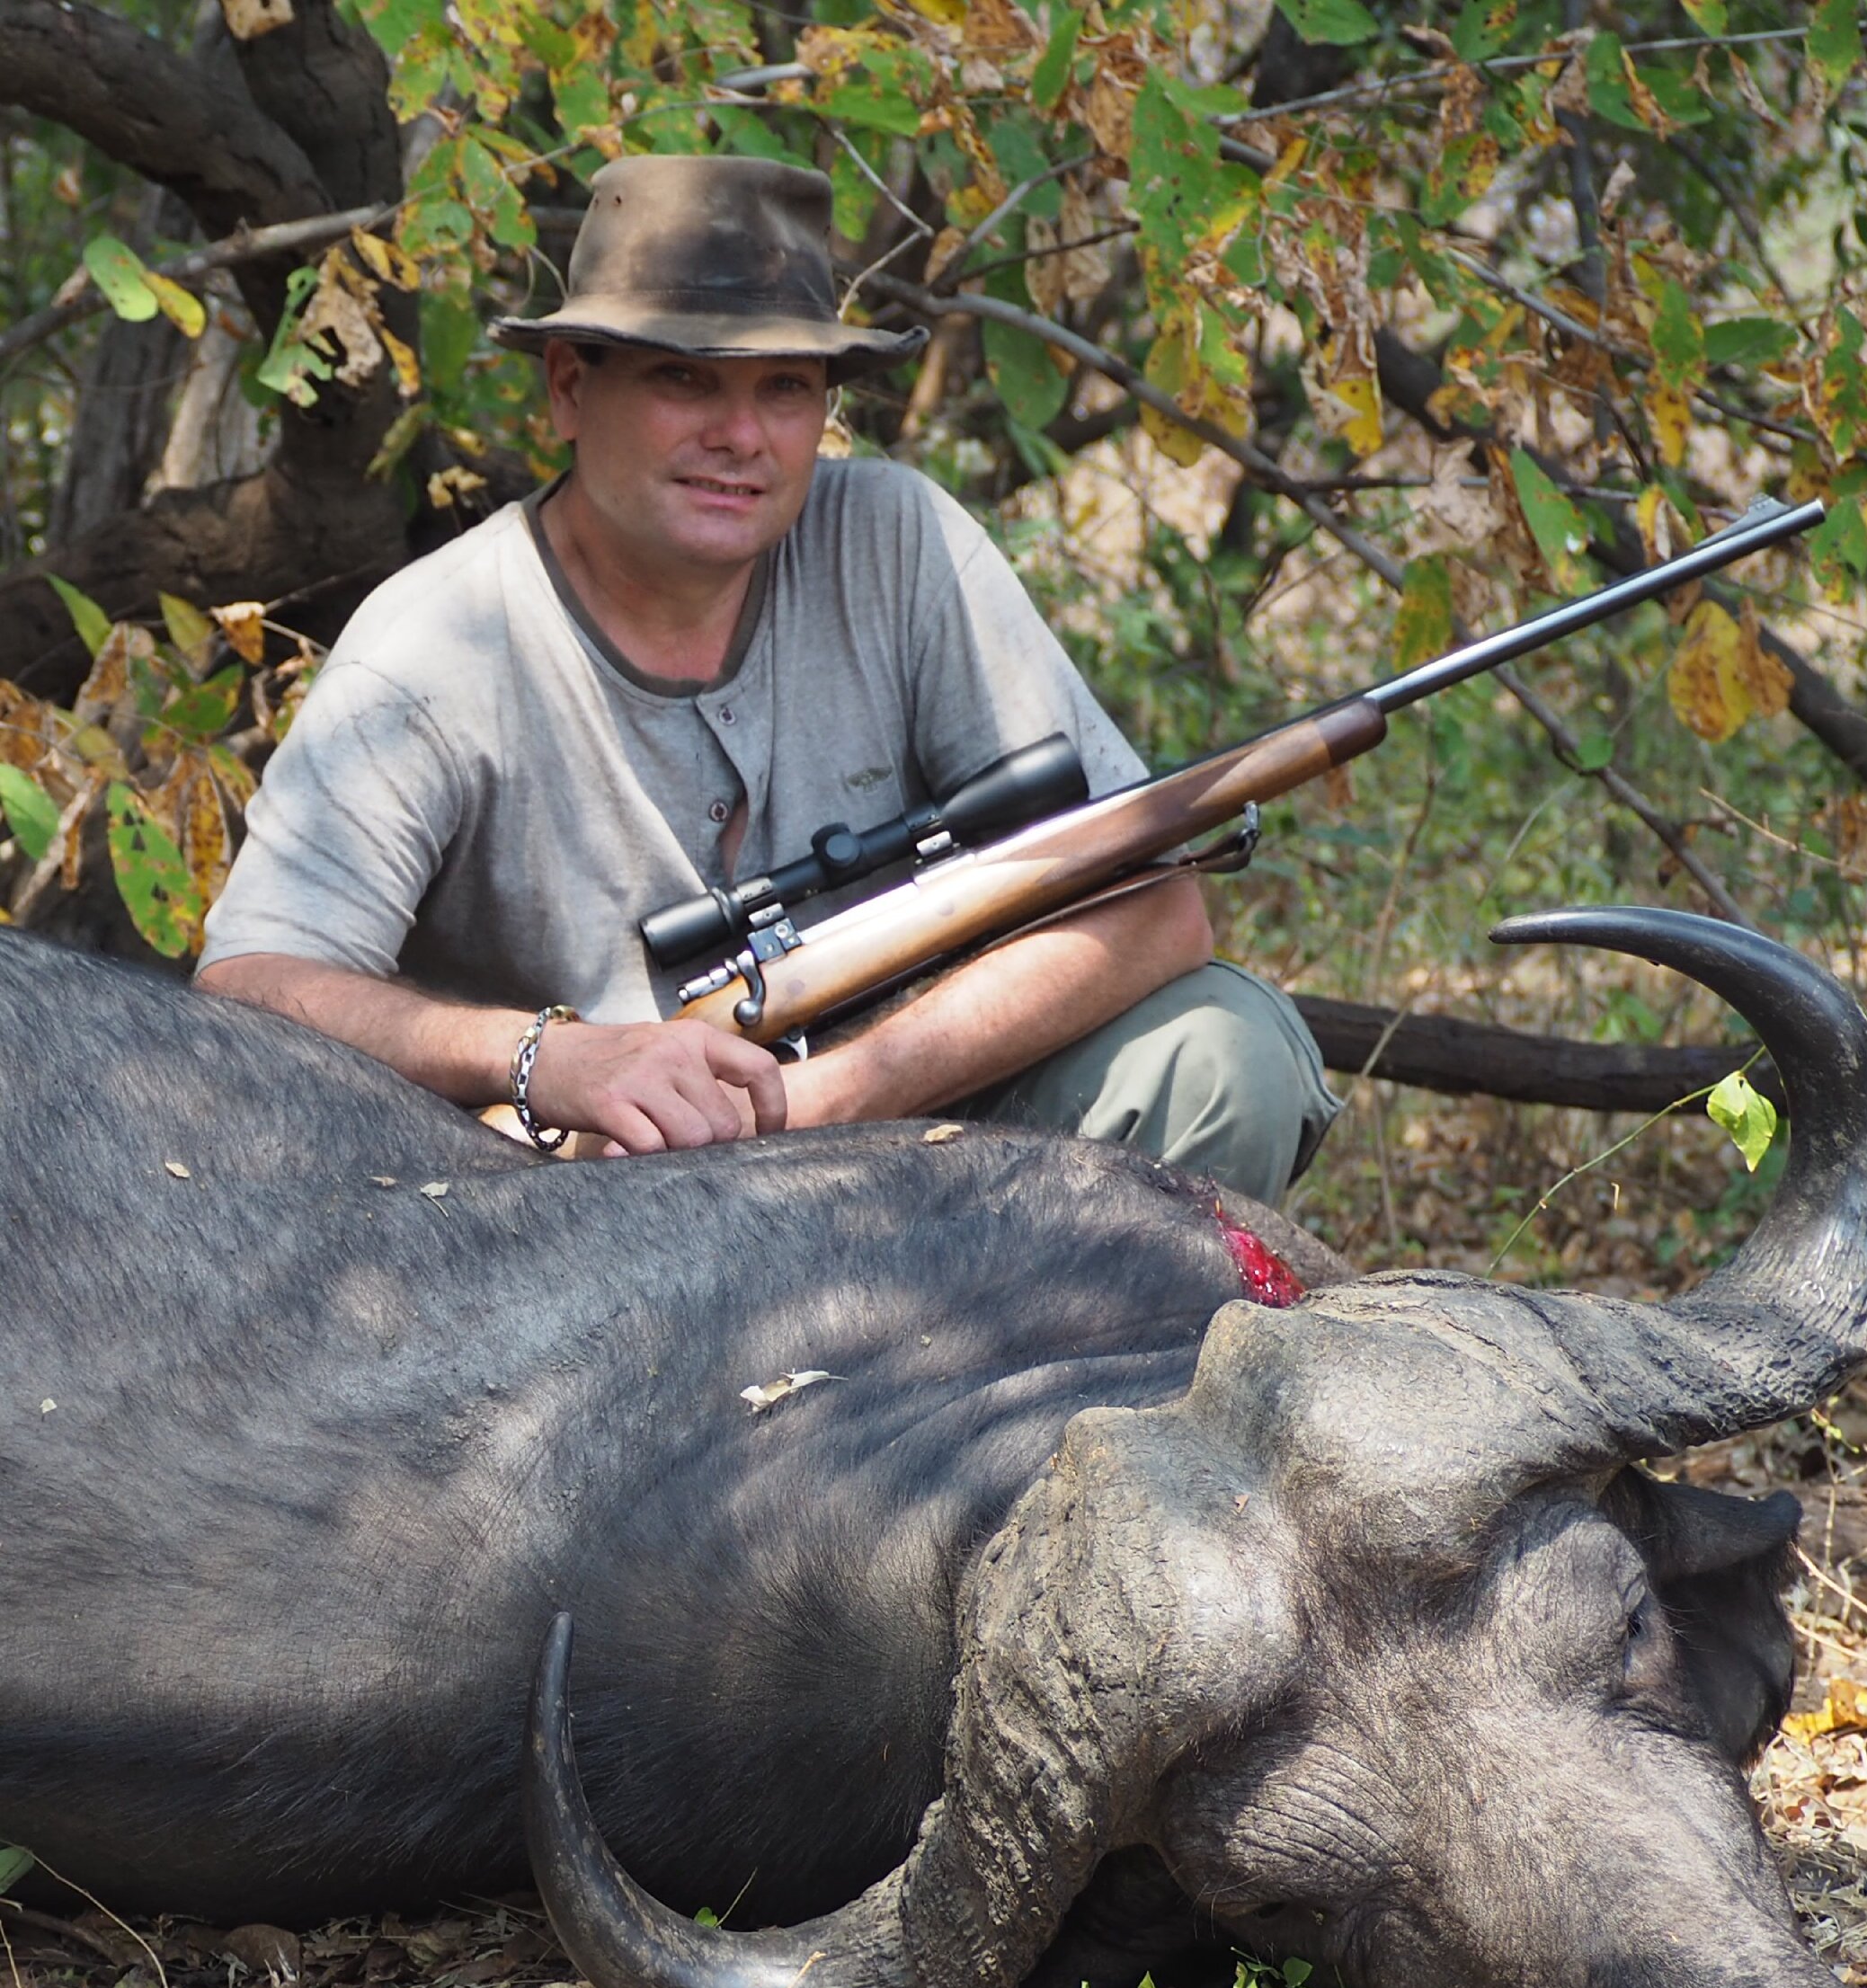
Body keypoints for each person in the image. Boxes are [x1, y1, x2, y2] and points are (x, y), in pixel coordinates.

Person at [197, 155, 1338, 1204]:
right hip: (575, 1225)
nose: (742, 435)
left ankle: (1088, 1428)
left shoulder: (898, 542)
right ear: (566, 387)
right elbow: (252, 985)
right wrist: (549, 1059)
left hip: (905, 1153)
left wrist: (834, 1095)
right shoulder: (434, 644)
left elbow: (1149, 903)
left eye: (786, 388)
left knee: (1219, 1056)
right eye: (686, 380)